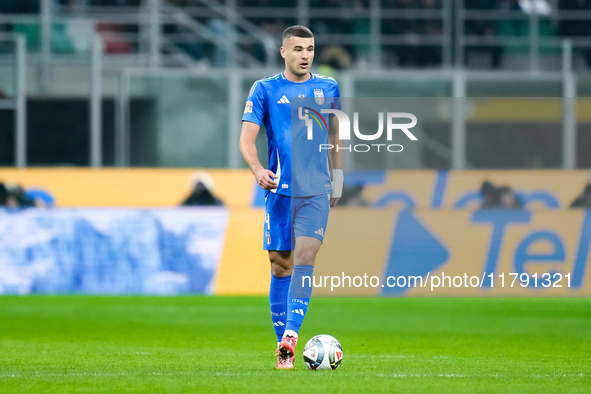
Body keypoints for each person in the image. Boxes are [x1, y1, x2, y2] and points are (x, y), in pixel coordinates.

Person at [239, 25, 343, 370]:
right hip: (280, 192)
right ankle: (282, 348)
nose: (305, 55)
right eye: (298, 48)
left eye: (310, 49)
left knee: (305, 255)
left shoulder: (327, 87)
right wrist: (257, 170)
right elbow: (247, 138)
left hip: (315, 190)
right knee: (279, 264)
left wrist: (338, 175)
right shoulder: (265, 89)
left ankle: (291, 337)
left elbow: (336, 133)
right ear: (283, 52)